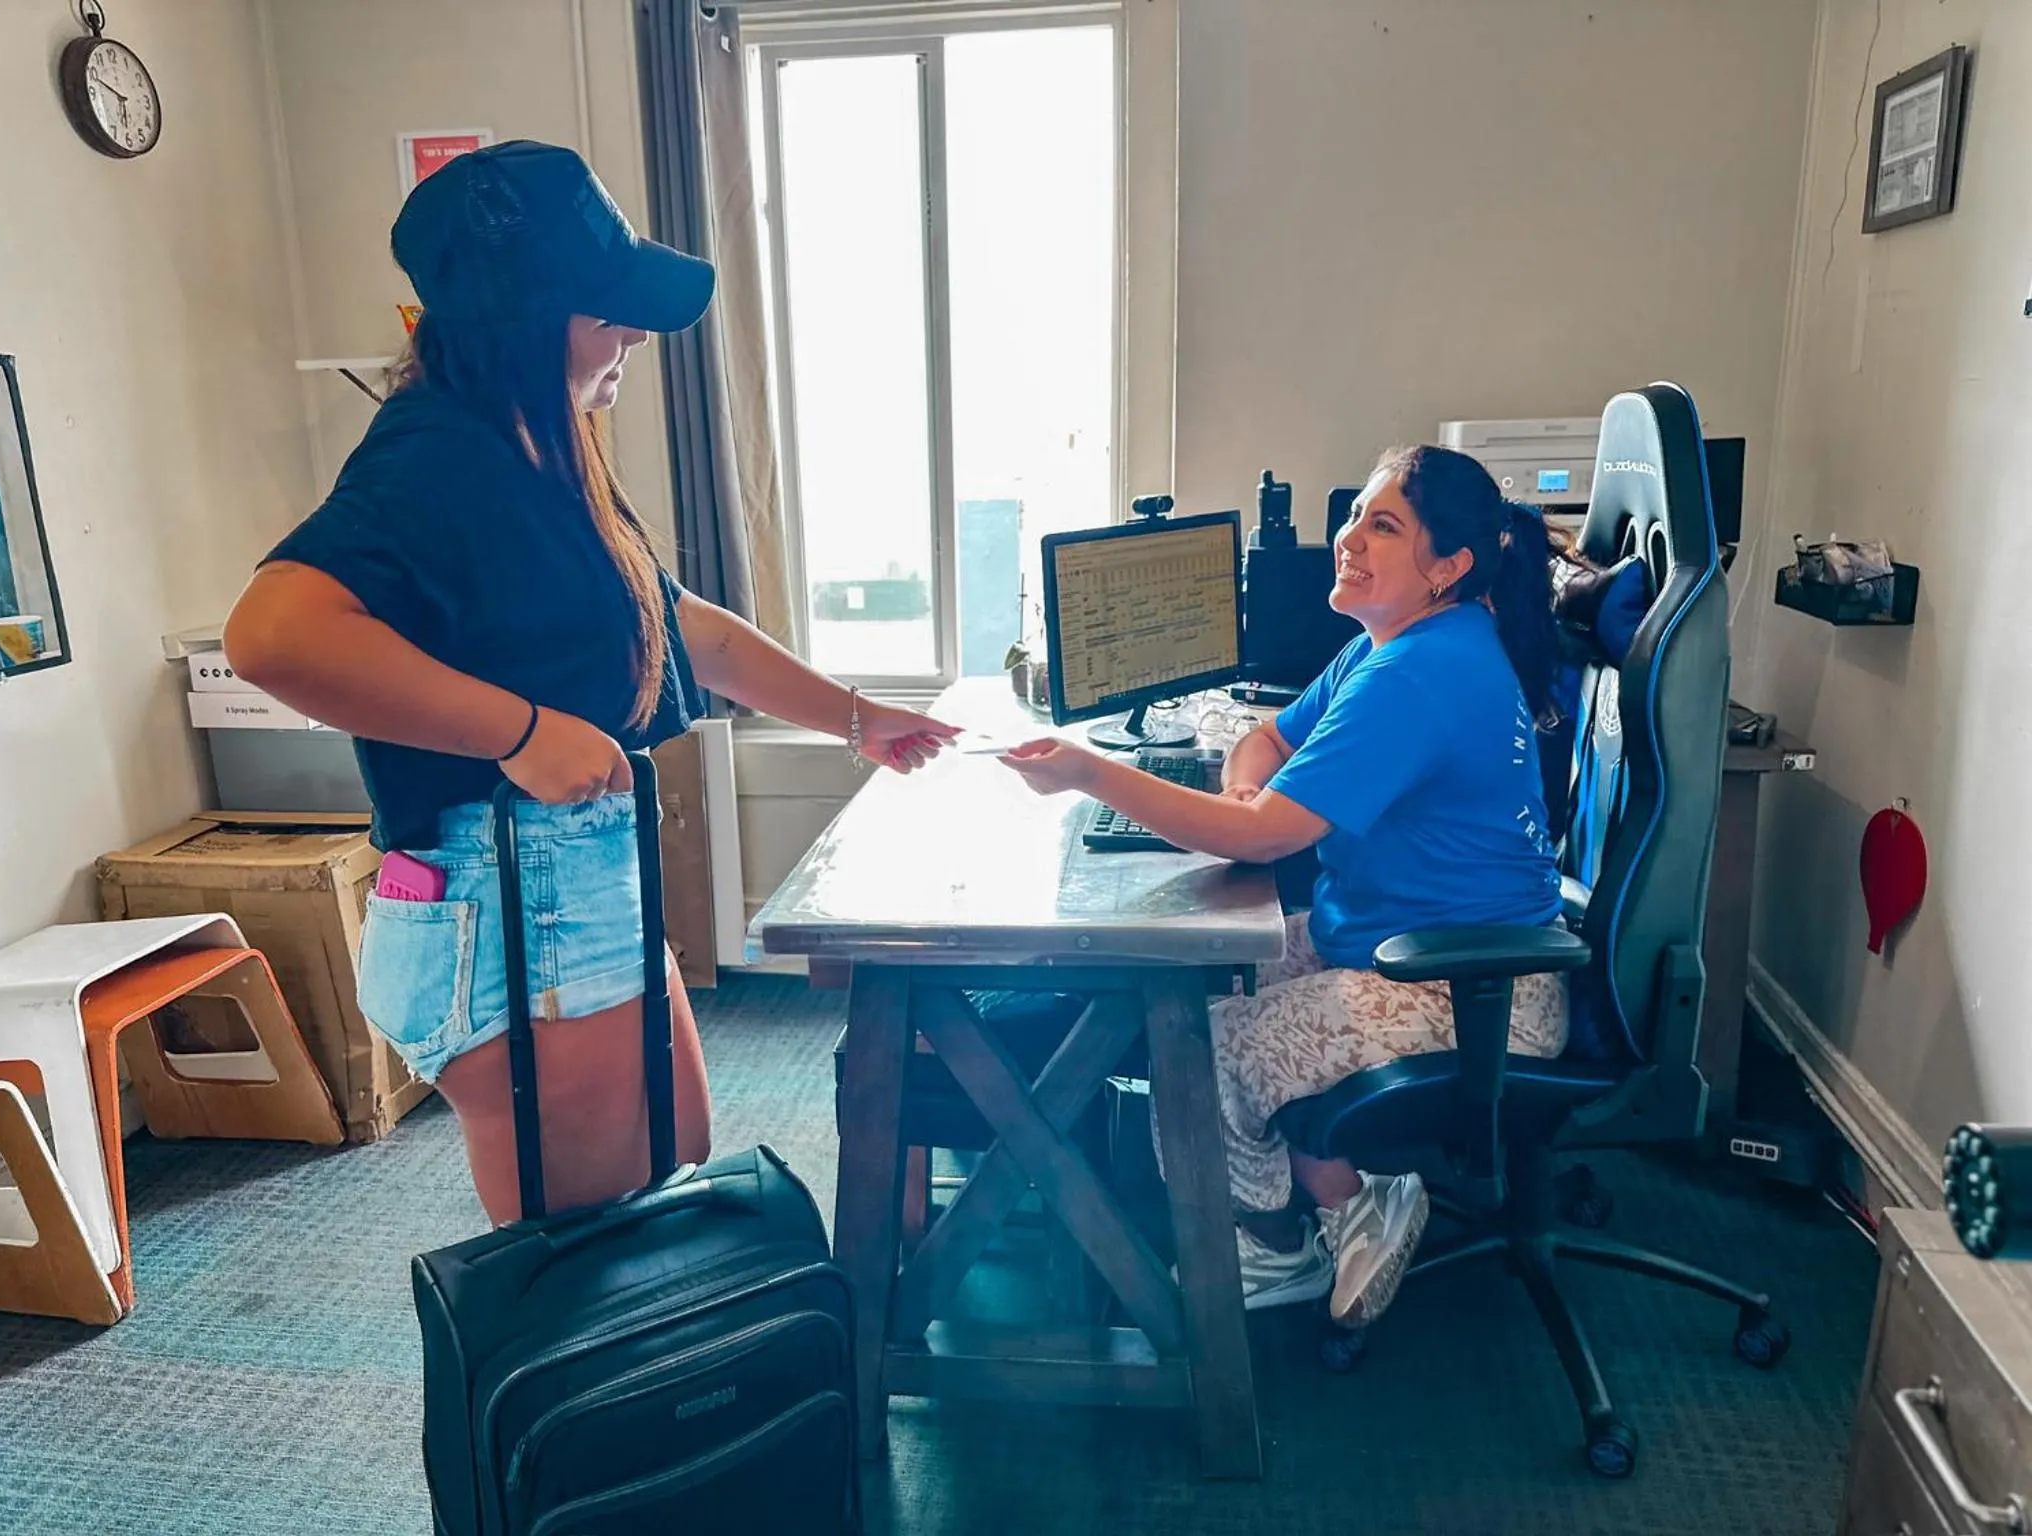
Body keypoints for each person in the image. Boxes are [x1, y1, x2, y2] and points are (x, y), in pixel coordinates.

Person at [224, 141, 956, 1225]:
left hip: (564, 884)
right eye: (607, 314)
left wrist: (852, 718)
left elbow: (678, 626)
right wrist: (516, 730)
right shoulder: (437, 452)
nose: (632, 338)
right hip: (512, 887)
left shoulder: (540, 448)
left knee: (671, 1179)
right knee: (597, 1248)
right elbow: (273, 634)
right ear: (524, 322)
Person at [999, 444, 1567, 1324]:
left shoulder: (1420, 674)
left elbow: (1263, 838)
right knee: (1198, 994)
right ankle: (1345, 1197)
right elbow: (1266, 741)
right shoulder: (1394, 646)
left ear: (1447, 567)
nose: (1350, 539)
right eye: (1356, 517)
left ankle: (1282, 1244)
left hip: (1475, 983)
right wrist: (1240, 788)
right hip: (1402, 943)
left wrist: (1089, 772)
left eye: (1385, 526)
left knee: (1205, 1054)